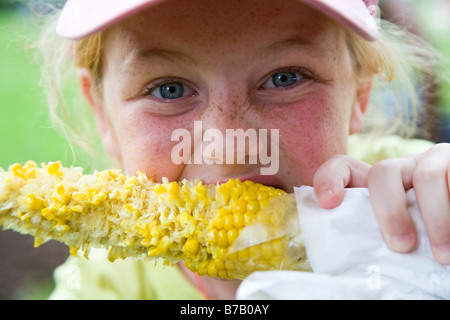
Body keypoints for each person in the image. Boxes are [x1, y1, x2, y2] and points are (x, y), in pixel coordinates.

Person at [34, 0, 450, 300]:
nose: (229, 150)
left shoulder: (413, 202)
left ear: (360, 94)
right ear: (103, 116)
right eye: (169, 89)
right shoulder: (108, 284)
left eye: (285, 78)